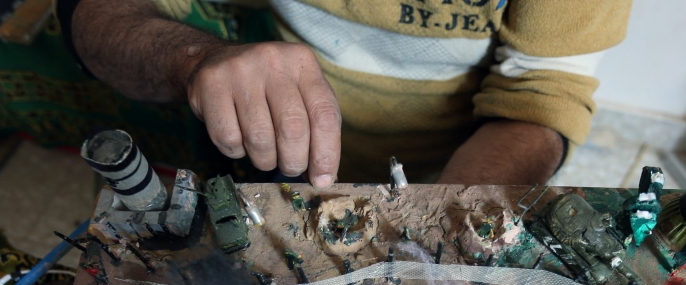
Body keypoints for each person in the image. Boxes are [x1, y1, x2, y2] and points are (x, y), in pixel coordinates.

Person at [64, 0, 631, 185]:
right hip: (263, 148)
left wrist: (447, 219)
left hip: (455, 165)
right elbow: (100, 14)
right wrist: (194, 62)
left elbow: (543, 92)